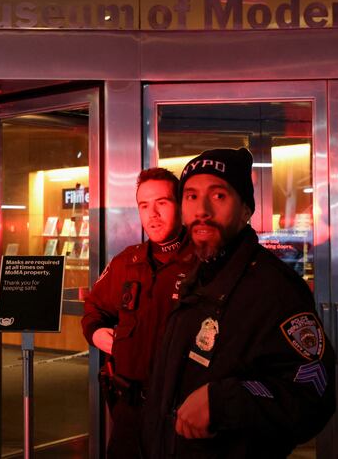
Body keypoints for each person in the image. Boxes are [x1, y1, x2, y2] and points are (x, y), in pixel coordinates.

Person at [142, 148, 336, 458]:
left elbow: (313, 392)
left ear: (246, 210)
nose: (202, 210)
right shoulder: (197, 275)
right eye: (191, 196)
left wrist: (222, 402)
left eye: (218, 196)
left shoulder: (274, 289)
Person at [82, 168, 196, 458]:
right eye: (144, 205)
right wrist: (96, 333)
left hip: (183, 415)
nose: (152, 214)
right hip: (130, 411)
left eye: (162, 202)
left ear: (181, 204)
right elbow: (94, 307)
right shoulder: (127, 262)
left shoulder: (203, 263)